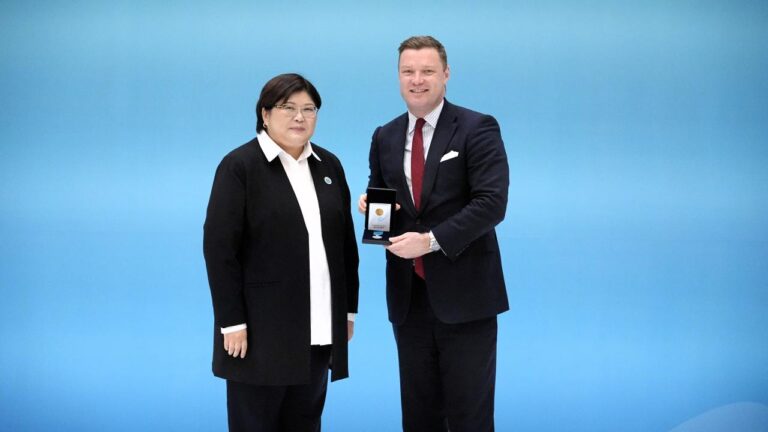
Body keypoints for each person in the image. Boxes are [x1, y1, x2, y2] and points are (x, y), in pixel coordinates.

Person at [359, 36, 510, 431]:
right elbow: (387, 213)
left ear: (446, 74)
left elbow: (491, 203)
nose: (417, 80)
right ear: (398, 77)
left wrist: (429, 242)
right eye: (408, 71)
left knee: (470, 416)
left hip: (466, 297)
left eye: (427, 71)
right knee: (419, 415)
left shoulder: (477, 127)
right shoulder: (385, 136)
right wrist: (374, 210)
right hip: (408, 301)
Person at [204, 73, 359, 432]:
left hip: (318, 327)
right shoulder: (240, 166)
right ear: (265, 113)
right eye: (288, 107)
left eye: (309, 109)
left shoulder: (329, 165)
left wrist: (347, 311)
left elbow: (345, 246)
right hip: (260, 331)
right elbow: (219, 250)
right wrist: (232, 322)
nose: (299, 117)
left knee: (305, 421)